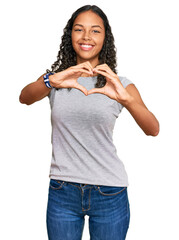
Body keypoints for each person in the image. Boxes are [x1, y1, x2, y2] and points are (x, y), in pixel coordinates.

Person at [19, 5, 159, 240]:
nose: (86, 37)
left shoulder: (119, 83)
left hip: (109, 192)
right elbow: (24, 98)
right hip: (62, 190)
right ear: (69, 35)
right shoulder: (57, 80)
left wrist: (126, 99)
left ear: (105, 38)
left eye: (95, 31)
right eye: (79, 29)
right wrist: (52, 79)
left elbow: (152, 129)